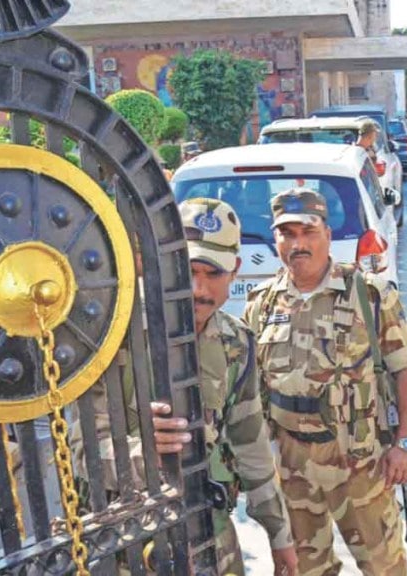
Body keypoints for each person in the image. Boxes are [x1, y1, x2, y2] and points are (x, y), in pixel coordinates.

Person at [73, 198, 298, 576]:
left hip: (210, 534)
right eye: (188, 271)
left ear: (235, 270)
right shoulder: (113, 335)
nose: (198, 288)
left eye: (213, 273)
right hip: (124, 543)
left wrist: (280, 535)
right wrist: (147, 453)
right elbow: (83, 452)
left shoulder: (236, 343)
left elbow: (250, 444)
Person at [244, 188, 407, 576]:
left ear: (326, 233)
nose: (298, 244)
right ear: (276, 240)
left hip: (359, 464)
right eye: (287, 234)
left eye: (308, 232)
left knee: (385, 567)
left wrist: (404, 444)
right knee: (303, 569)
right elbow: (251, 387)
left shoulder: (369, 295)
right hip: (292, 467)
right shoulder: (262, 303)